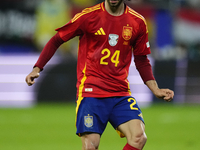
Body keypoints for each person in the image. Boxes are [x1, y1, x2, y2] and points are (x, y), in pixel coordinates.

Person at [26, 0, 174, 149]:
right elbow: (56, 40)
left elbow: (142, 60)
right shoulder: (88, 16)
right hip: (91, 92)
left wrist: (156, 89)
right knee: (91, 146)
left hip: (120, 93)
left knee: (139, 137)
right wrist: (37, 68)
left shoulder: (137, 21)